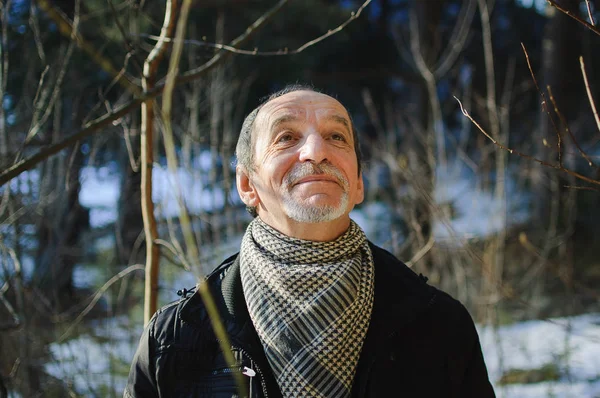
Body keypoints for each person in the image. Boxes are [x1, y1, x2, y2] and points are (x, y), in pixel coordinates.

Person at [124, 85, 496, 398]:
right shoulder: (175, 339)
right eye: (286, 137)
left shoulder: (439, 326)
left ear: (359, 184)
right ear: (246, 185)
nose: (316, 151)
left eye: (337, 137)